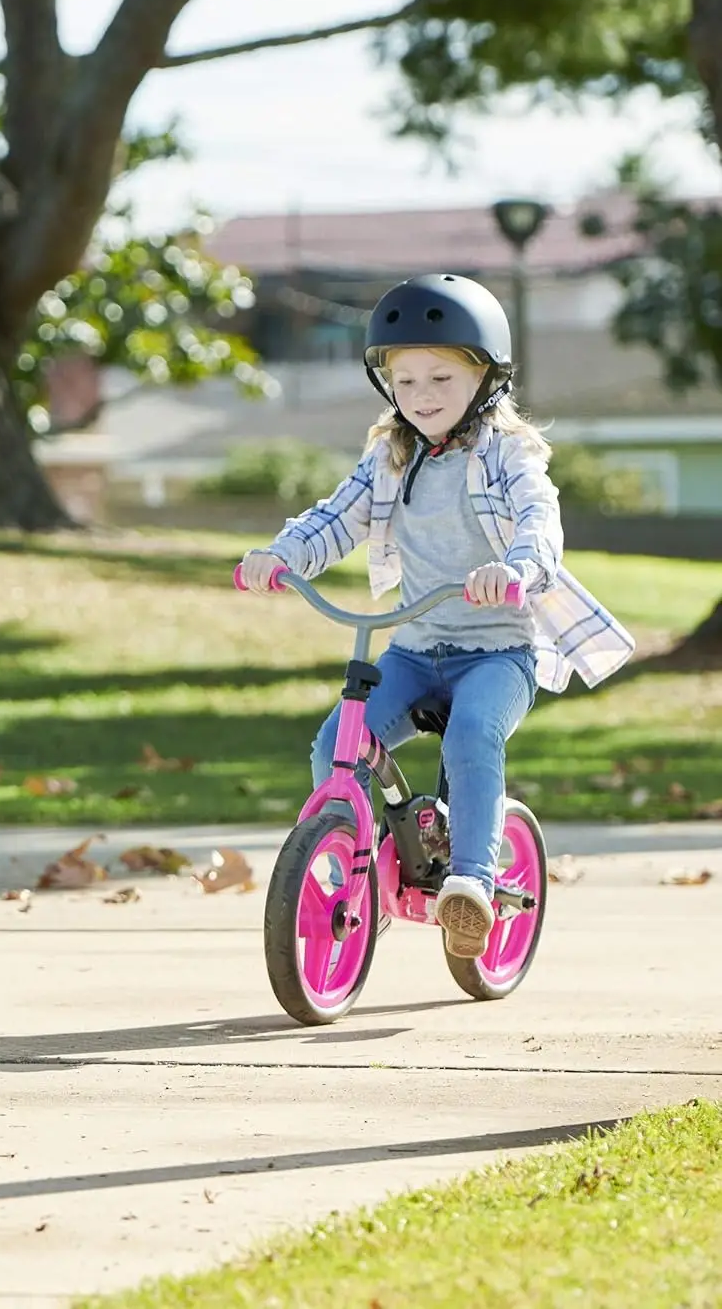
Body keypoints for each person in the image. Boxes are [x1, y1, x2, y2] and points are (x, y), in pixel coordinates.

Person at [238, 273, 633, 958]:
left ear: (486, 380)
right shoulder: (388, 457)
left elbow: (539, 520)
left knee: (473, 735)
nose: (421, 397)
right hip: (417, 649)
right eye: (406, 381)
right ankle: (364, 865)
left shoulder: (507, 454)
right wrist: (282, 556)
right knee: (337, 745)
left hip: (497, 655)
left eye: (441, 379)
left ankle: (471, 886)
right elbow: (336, 517)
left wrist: (515, 570)